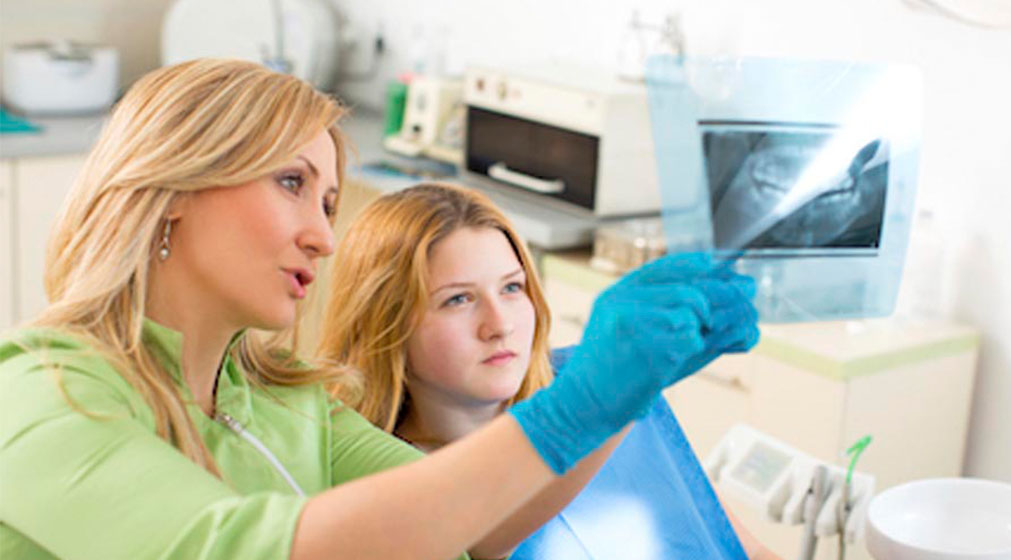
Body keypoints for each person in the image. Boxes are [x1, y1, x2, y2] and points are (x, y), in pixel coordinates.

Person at [0, 59, 759, 560]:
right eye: (291, 184)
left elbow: (473, 531)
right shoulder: (41, 393)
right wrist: (579, 403)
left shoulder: (283, 398)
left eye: (329, 203)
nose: (323, 237)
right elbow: (248, 548)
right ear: (174, 187)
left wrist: (617, 401)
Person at [316, 183, 778, 559]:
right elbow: (482, 538)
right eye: (458, 299)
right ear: (385, 322)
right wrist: (608, 406)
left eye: (512, 288)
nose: (499, 325)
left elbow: (746, 550)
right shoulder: (381, 481)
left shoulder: (597, 376)